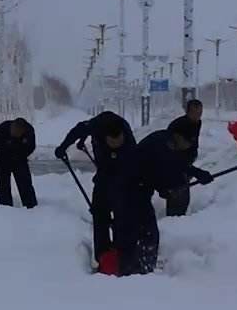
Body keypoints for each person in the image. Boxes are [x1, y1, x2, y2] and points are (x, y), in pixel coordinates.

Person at [107, 120, 213, 276]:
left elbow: (174, 167)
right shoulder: (161, 145)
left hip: (138, 192)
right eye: (188, 141)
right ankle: (131, 272)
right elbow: (164, 168)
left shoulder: (165, 142)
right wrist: (169, 187)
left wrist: (198, 175)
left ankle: (140, 270)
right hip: (128, 193)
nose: (189, 145)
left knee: (146, 233)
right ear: (178, 136)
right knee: (136, 234)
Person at [54, 111, 135, 266]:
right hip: (104, 173)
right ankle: (102, 254)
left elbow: (135, 166)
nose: (115, 146)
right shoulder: (96, 125)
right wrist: (63, 146)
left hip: (122, 176)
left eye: (119, 142)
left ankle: (121, 252)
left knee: (122, 215)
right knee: (100, 214)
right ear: (105, 137)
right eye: (112, 142)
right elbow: (78, 130)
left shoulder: (129, 140)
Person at [164, 99, 203, 216]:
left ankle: (179, 218)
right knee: (177, 195)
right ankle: (173, 222)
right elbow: (172, 151)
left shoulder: (197, 123)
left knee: (183, 196)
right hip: (174, 166)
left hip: (186, 164)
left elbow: (192, 144)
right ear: (188, 112)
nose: (198, 116)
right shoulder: (179, 126)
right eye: (195, 113)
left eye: (200, 113)